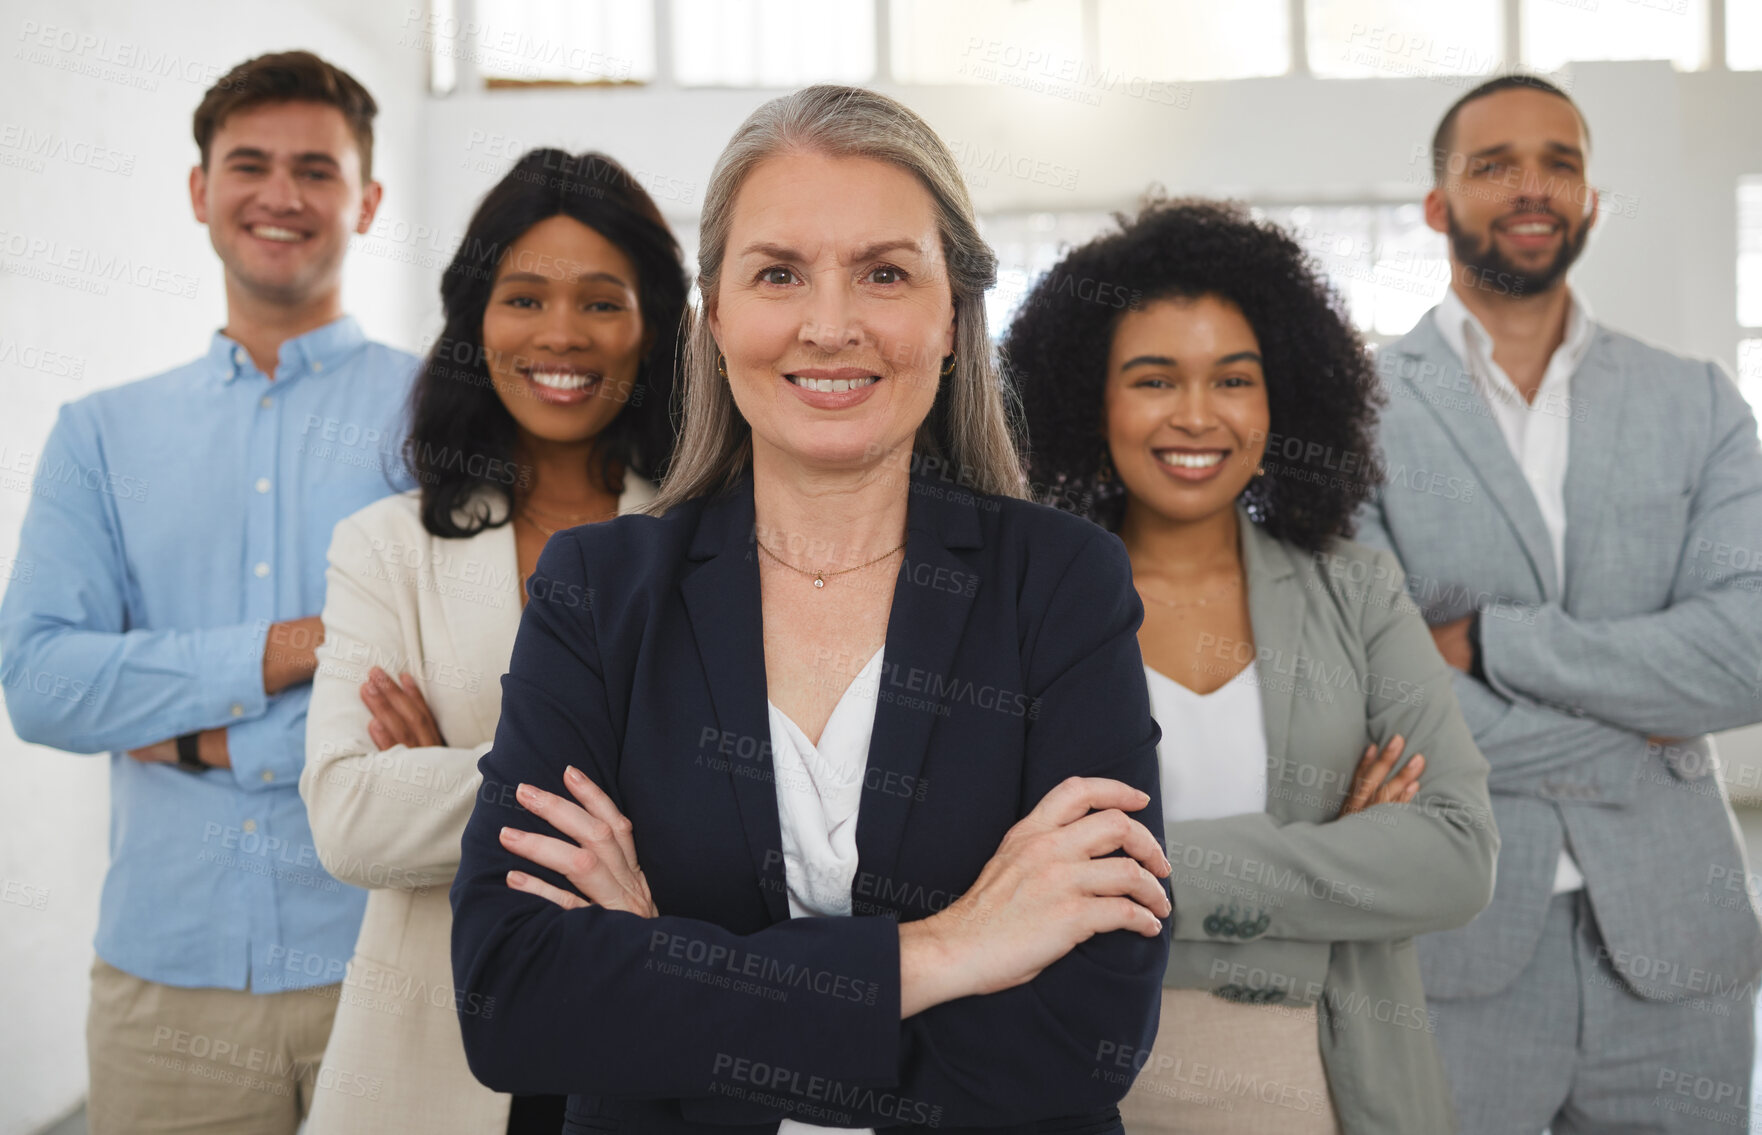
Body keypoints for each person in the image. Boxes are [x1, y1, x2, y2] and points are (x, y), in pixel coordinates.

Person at [448, 84, 1173, 1134]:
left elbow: (1084, 1032)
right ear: (715, 315)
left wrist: (663, 974)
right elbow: (514, 998)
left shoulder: (1062, 583)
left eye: (884, 273)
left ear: (952, 318)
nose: (830, 327)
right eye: (779, 273)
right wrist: (949, 949)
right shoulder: (596, 591)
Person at [1004, 198, 1497, 1133]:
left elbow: (1455, 856)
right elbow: (975, 868)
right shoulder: (1023, 606)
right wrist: (1333, 866)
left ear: (1281, 397)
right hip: (1077, 1087)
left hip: (1327, 1085)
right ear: (1089, 396)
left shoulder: (1359, 591)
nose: (1198, 415)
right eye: (1154, 379)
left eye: (1234, 379)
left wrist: (1121, 877)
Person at [0, 51, 415, 1134]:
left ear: (365, 200)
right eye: (250, 165)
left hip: (395, 976)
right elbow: (42, 684)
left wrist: (200, 740)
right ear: (200, 190)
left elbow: (461, 686)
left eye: (316, 170)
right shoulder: (101, 435)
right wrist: (286, 655)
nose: (281, 195)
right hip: (162, 987)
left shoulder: (445, 420)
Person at [1356, 73, 1762, 1133]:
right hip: (1453, 946)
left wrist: (1494, 640)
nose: (1530, 187)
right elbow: (1381, 693)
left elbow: (1747, 655)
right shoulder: (1354, 412)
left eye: (1560, 163)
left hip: (1680, 956)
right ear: (1438, 204)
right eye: (1493, 164)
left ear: (1588, 201)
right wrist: (1640, 734)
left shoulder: (1698, 401)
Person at [298, 146, 687, 1135]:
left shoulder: (713, 536)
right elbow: (348, 820)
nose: (562, 333)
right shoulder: (384, 548)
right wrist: (639, 770)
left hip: (660, 1043)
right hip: (437, 1065)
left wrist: (459, 774)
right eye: (523, 297)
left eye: (603, 301)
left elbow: (756, 807)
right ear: (477, 320)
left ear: (656, 328)